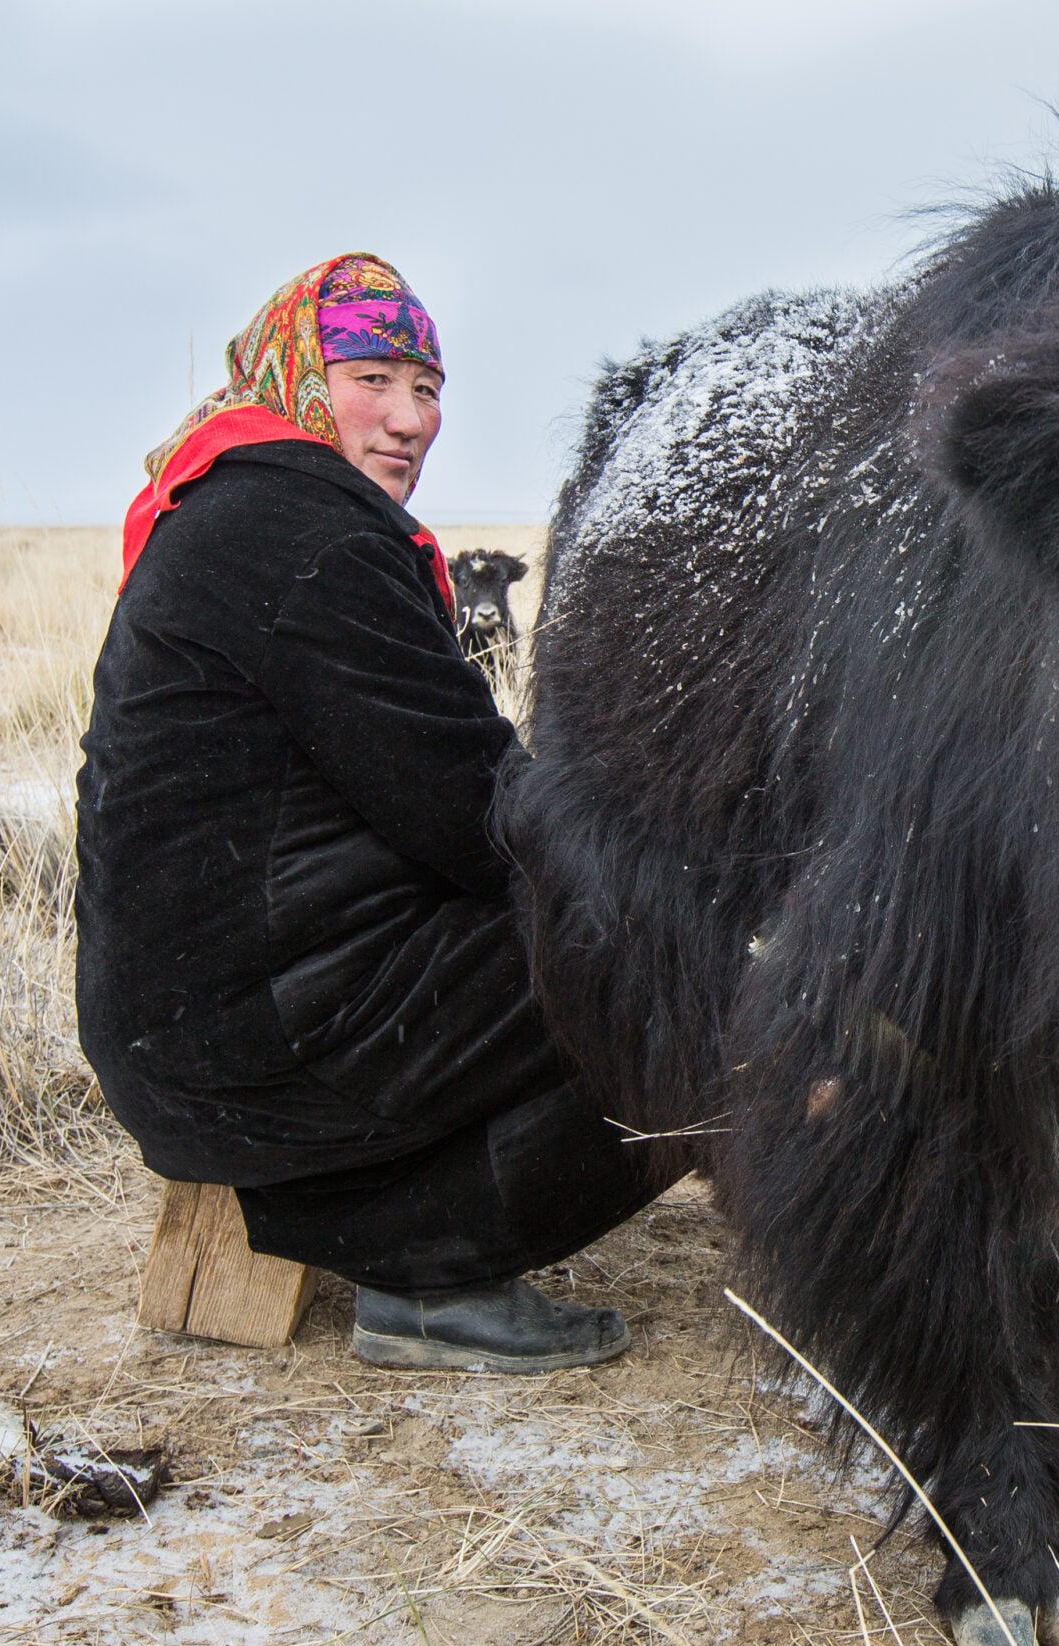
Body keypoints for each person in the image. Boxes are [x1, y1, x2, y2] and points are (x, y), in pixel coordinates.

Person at [77, 254, 669, 1372]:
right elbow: (469, 811)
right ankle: (432, 1268)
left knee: (610, 926)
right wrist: (649, 868)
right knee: (666, 964)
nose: (408, 419)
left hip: (189, 1017)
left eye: (428, 388)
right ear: (301, 372)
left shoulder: (230, 505)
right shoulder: (312, 535)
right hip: (259, 1043)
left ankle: (416, 1239)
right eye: (372, 378)